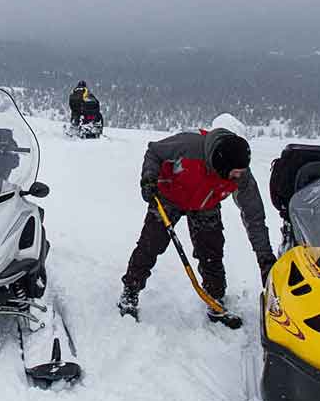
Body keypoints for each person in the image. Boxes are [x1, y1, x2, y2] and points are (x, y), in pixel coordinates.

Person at [117, 128, 277, 328]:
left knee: (211, 252)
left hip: (205, 204)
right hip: (169, 197)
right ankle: (130, 291)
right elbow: (154, 151)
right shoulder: (188, 146)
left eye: (242, 172)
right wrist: (148, 179)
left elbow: (254, 216)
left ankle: (215, 299)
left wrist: (265, 257)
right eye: (235, 172)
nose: (239, 176)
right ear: (221, 164)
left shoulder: (241, 175)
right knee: (150, 246)